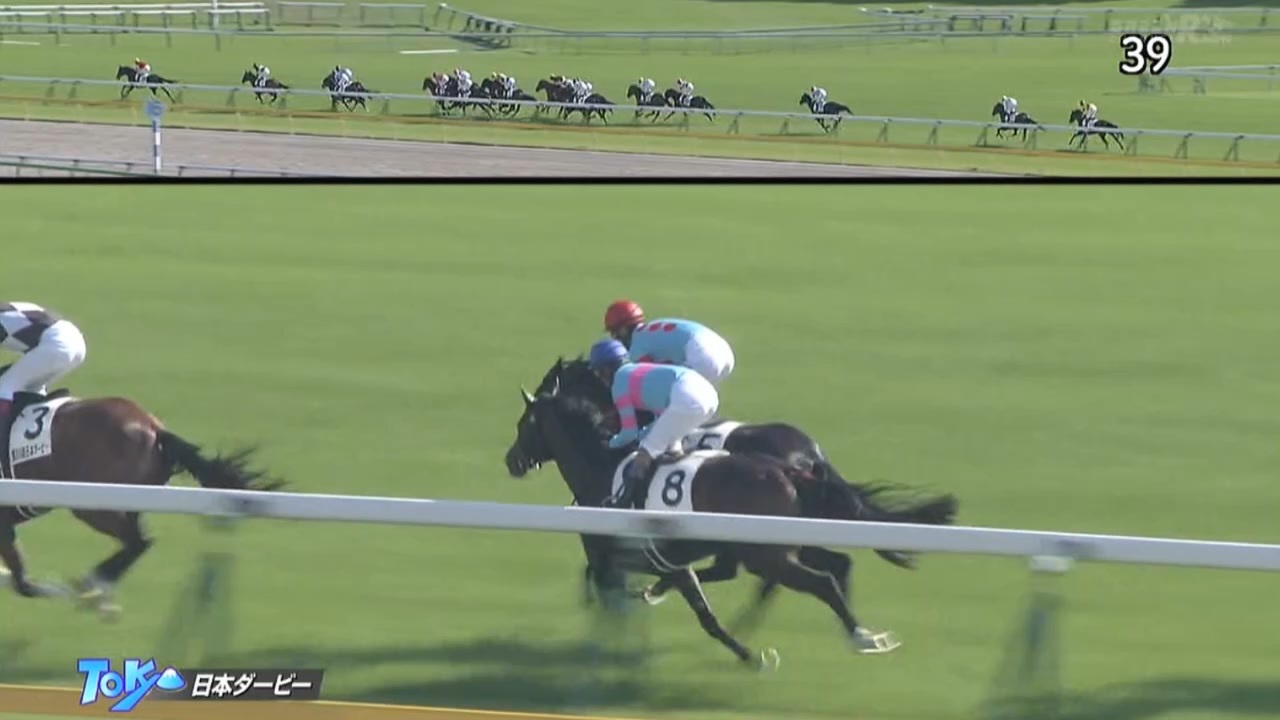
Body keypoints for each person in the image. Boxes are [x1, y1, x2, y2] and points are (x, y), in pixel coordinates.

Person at [588, 339, 719, 509]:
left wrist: (609, 443)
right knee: (670, 446)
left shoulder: (619, 384)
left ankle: (623, 503)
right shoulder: (639, 371)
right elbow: (658, 422)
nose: (600, 378)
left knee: (644, 454)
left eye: (598, 373)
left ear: (605, 370)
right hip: (707, 395)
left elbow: (629, 432)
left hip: (686, 398)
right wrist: (644, 434)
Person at [603, 300, 735, 388]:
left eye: (615, 332)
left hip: (703, 357)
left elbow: (648, 381)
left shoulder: (637, 346)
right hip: (724, 352)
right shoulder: (656, 324)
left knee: (673, 396)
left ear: (623, 329)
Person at [0, 302, 87, 424]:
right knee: (32, 388)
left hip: (56, 345)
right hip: (76, 344)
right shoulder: (6, 309)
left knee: (4, 387)